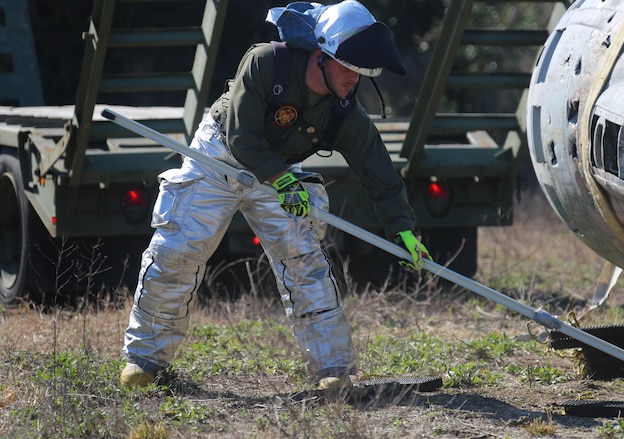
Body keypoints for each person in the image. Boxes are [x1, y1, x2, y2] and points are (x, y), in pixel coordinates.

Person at [120, 0, 432, 391]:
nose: (355, 79)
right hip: (220, 155)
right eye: (348, 68)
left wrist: (402, 229)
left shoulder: (345, 111)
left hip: (280, 169)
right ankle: (145, 359)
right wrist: (283, 181)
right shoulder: (267, 63)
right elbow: (242, 137)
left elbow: (379, 172)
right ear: (321, 55)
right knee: (177, 249)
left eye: (363, 73)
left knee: (304, 261)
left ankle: (332, 368)